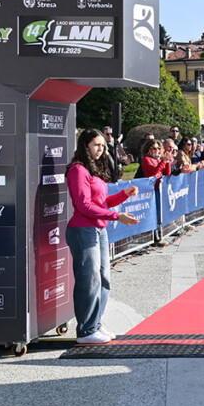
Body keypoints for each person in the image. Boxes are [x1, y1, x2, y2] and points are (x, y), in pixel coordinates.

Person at [66, 129, 140, 345]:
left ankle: (95, 323)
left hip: (98, 229)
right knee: (89, 280)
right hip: (83, 231)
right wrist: (117, 216)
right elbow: (84, 205)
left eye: (103, 146)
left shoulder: (92, 171)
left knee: (103, 280)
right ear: (85, 145)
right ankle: (86, 329)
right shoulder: (78, 170)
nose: (101, 149)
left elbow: (101, 203)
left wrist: (123, 195)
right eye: (97, 145)